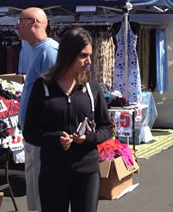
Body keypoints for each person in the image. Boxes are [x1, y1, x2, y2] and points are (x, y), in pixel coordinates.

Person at [23, 28, 114, 212]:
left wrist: (88, 138)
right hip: (52, 172)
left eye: (89, 55)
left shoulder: (91, 86)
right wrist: (55, 139)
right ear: (68, 54)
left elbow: (107, 127)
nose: (88, 61)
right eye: (83, 56)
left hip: (87, 171)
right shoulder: (43, 86)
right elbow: (29, 132)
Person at [16, 7, 59, 211]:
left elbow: (56, 95)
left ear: (33, 22)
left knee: (43, 192)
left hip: (42, 135)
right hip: (32, 134)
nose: (16, 25)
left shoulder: (49, 51)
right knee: (34, 191)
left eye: (20, 20)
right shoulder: (36, 50)